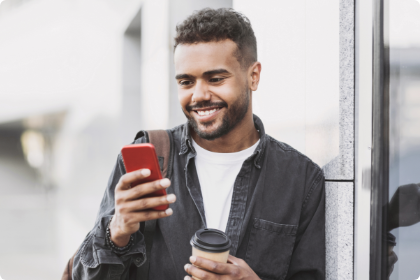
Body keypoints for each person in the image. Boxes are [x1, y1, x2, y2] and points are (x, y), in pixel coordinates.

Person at [72, 8, 325, 280]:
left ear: (253, 76)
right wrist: (116, 233)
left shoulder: (300, 180)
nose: (199, 95)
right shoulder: (147, 161)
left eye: (215, 79)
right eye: (186, 81)